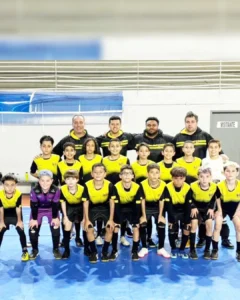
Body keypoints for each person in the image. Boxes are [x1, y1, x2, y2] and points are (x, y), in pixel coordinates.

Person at [200, 139, 233, 249]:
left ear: (219, 149)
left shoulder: (224, 161)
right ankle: (202, 238)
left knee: (221, 216)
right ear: (208, 149)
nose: (213, 149)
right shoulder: (204, 161)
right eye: (211, 147)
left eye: (216, 147)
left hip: (221, 191)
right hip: (208, 191)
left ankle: (225, 239)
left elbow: (233, 170)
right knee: (206, 216)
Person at [82, 163, 114, 263]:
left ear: (105, 174)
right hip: (92, 208)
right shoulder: (87, 185)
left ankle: (104, 251)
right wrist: (86, 219)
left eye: (100, 172)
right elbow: (85, 202)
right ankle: (94, 252)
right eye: (95, 172)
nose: (98, 174)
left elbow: (112, 203)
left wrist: (111, 219)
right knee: (89, 228)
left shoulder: (109, 184)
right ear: (92, 174)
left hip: (106, 207)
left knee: (109, 228)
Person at [138, 163, 170, 259]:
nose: (154, 175)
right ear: (147, 174)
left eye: (156, 173)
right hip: (146, 206)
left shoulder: (163, 184)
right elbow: (142, 200)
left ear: (159, 174)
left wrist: (161, 215)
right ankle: (144, 247)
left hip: (157, 206)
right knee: (143, 223)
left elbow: (161, 200)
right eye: (152, 173)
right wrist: (143, 215)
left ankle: (161, 247)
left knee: (161, 223)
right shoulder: (142, 184)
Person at [102, 138, 130, 246]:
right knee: (107, 211)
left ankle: (122, 236)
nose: (114, 148)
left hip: (120, 189)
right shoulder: (104, 160)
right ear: (108, 148)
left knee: (121, 213)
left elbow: (128, 174)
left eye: (117, 146)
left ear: (121, 147)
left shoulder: (125, 159)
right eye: (112, 146)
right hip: (108, 189)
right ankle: (102, 234)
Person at [111, 165, 142, 261]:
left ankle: (134, 250)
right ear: (120, 176)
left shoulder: (137, 187)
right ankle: (114, 250)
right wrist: (115, 219)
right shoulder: (115, 186)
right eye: (124, 174)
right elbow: (115, 204)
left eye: (129, 174)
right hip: (119, 207)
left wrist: (136, 220)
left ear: (133, 176)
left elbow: (137, 205)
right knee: (115, 227)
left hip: (133, 208)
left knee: (136, 227)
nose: (127, 176)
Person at [29, 170, 61, 260]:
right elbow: (34, 205)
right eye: (42, 180)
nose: (45, 183)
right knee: (33, 230)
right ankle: (35, 250)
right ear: (39, 181)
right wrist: (34, 219)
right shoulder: (34, 190)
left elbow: (55, 205)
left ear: (51, 181)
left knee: (55, 227)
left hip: (51, 210)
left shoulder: (56, 190)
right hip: (38, 210)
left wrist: (55, 218)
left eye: (47, 180)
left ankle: (56, 249)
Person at [212, 161, 240, 261]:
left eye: (233, 171)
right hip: (222, 207)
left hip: (235, 208)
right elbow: (218, 199)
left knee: (238, 227)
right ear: (224, 173)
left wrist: (237, 212)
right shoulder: (219, 185)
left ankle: (239, 251)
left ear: (237, 173)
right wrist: (219, 210)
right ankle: (214, 250)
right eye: (228, 171)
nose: (230, 173)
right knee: (217, 225)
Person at [189, 167, 217, 260]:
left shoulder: (214, 187)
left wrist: (211, 208)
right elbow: (189, 198)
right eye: (202, 176)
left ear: (210, 177)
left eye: (207, 176)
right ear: (198, 177)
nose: (204, 179)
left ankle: (207, 249)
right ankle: (192, 249)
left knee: (209, 225)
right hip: (196, 208)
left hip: (206, 208)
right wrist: (193, 206)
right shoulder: (192, 186)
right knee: (193, 226)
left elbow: (214, 199)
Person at [0, 174, 29, 261]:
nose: (10, 188)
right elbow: (0, 209)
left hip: (15, 213)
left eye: (12, 185)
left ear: (16, 185)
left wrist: (19, 221)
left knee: (21, 230)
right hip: (4, 213)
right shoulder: (0, 194)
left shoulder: (19, 193)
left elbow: (18, 208)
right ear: (3, 185)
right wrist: (1, 222)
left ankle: (25, 251)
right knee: (0, 230)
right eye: (7, 185)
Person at [165, 167, 192, 259]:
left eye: (181, 178)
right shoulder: (167, 187)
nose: (178, 181)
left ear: (184, 178)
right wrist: (171, 218)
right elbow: (168, 205)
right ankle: (173, 248)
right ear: (172, 178)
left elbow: (188, 204)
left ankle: (182, 249)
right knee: (171, 227)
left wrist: (187, 219)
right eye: (176, 178)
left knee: (186, 227)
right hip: (172, 209)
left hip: (184, 210)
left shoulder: (188, 187)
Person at [60, 170, 84, 259]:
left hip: (80, 206)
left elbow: (85, 203)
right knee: (67, 225)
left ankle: (79, 238)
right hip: (68, 206)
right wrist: (65, 216)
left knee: (80, 222)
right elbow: (63, 203)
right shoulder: (62, 189)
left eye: (73, 179)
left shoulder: (82, 188)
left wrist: (85, 217)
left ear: (77, 179)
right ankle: (66, 250)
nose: (70, 181)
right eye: (68, 179)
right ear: (65, 180)